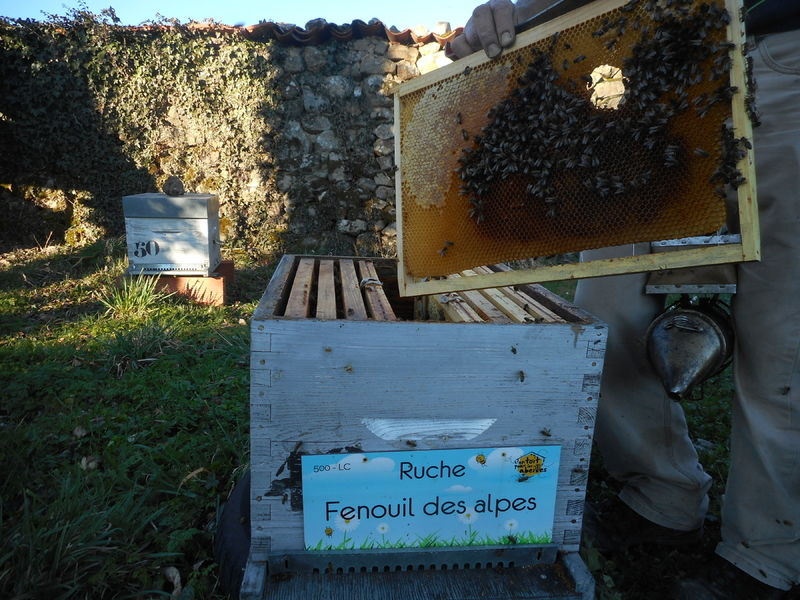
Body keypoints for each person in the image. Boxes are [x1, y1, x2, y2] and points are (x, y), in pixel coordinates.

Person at [447, 1, 800, 598]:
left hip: (786, 55)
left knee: (783, 340)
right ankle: (661, 499)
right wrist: (514, 11)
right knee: (604, 312)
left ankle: (767, 555)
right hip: (673, 74)